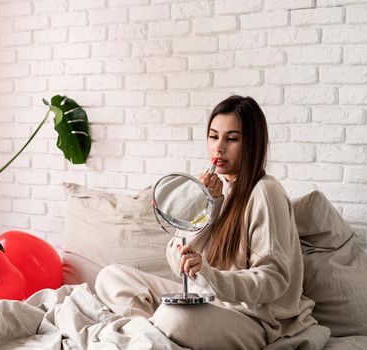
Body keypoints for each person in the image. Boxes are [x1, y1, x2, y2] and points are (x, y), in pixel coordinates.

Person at [95, 95, 322, 349]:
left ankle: (151, 330)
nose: (219, 148)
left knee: (176, 316)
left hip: (251, 319)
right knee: (109, 276)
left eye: (232, 139)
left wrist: (207, 274)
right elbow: (176, 258)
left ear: (252, 143)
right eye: (213, 137)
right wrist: (208, 206)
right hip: (205, 301)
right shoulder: (216, 189)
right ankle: (154, 331)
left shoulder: (266, 192)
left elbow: (273, 279)